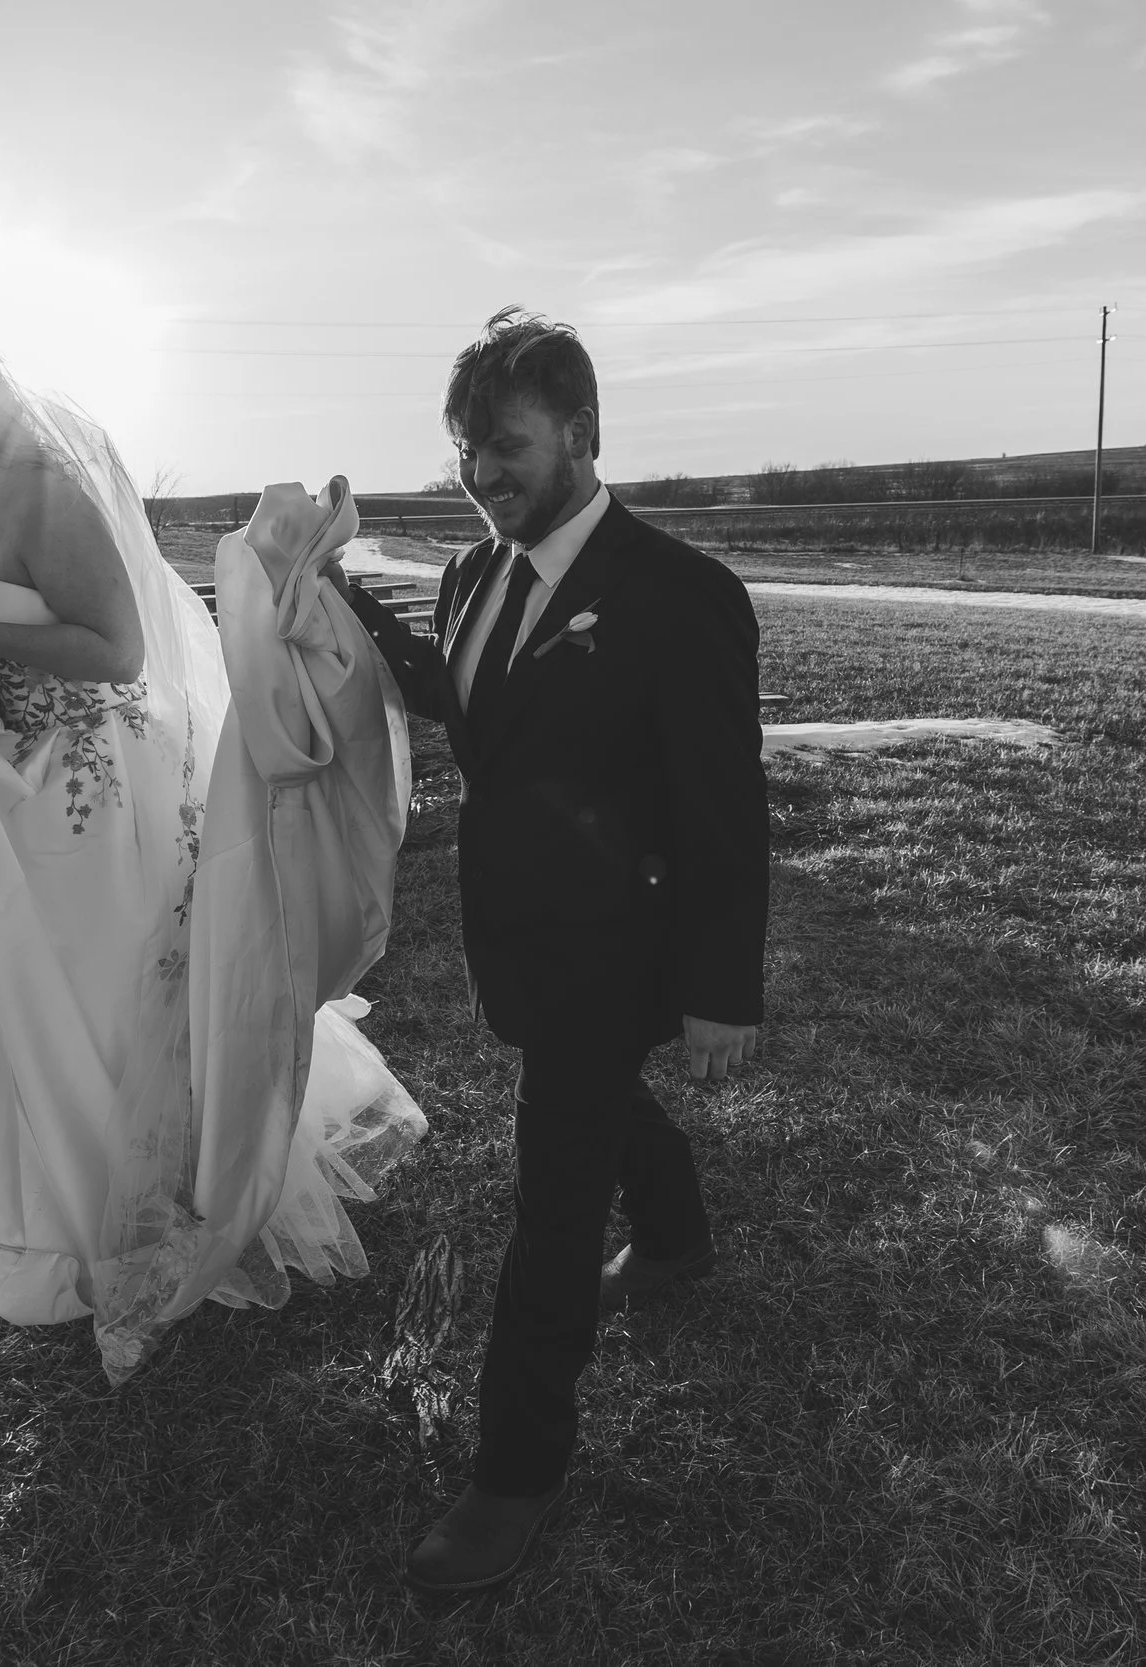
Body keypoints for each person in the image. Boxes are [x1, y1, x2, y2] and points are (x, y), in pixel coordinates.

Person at [0, 317, 422, 1383]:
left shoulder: (39, 478)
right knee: (72, 991)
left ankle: (160, 1197)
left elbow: (116, 648)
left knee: (103, 988)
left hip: (93, 791)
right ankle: (97, 1197)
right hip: (49, 776)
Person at [340, 309, 770, 1592]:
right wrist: (335, 602)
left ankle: (512, 1469)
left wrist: (716, 992)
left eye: (506, 445)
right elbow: (475, 707)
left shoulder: (682, 594)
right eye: (465, 447)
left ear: (582, 433)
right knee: (578, 1097)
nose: (482, 473)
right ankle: (681, 1230)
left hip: (616, 941)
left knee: (551, 1196)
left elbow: (722, 811)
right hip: (515, 935)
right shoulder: (477, 574)